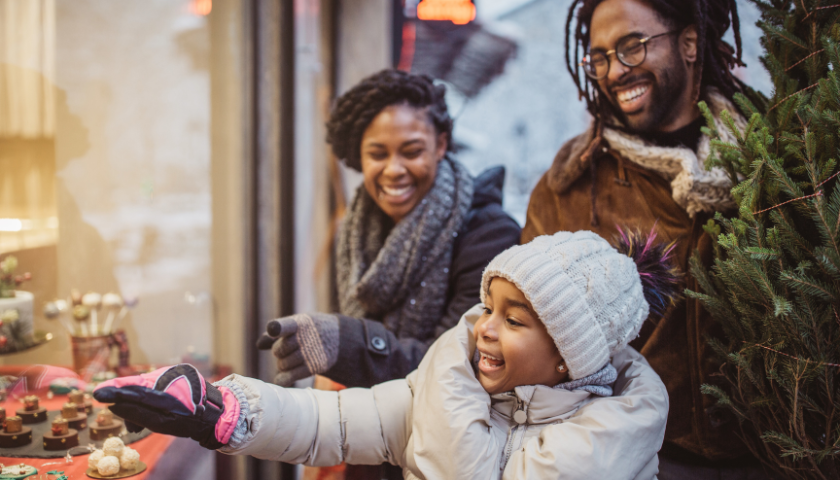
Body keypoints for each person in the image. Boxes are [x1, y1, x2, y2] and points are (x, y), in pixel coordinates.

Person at [92, 229, 676, 479]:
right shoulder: (459, 382)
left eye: (514, 320)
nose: (484, 330)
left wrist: (447, 378)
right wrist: (221, 411)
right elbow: (339, 422)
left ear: (571, 356)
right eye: (488, 309)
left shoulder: (607, 440)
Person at [524, 0, 764, 477]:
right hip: (636, 460)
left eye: (632, 46)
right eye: (599, 57)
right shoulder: (570, 188)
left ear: (689, 43)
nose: (615, 71)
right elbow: (527, 337)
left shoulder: (774, 160)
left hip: (776, 456)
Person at [255, 69, 521, 390]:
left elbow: (461, 359)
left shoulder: (490, 235)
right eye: (377, 154)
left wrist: (347, 348)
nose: (394, 170)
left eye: (412, 152)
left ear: (440, 145)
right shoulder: (356, 233)